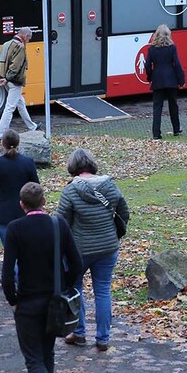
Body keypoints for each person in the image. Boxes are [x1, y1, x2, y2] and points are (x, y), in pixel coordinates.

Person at [2, 182, 82, 373]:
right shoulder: (59, 225)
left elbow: (7, 274)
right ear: (45, 202)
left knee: (33, 360)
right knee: (46, 354)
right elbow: (77, 265)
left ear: (22, 205)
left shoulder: (15, 229)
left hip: (27, 302)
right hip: (53, 302)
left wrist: (13, 300)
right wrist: (65, 286)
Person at [56, 148, 130, 352]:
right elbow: (124, 212)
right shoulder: (110, 186)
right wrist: (115, 234)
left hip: (79, 250)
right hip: (107, 247)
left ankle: (78, 333)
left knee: (76, 289)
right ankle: (103, 338)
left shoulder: (70, 191)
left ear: (73, 167)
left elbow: (61, 222)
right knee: (103, 291)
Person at [0, 130, 39, 248]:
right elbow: (35, 187)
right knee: (24, 249)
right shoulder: (28, 162)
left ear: (2, 143)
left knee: (10, 250)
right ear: (18, 143)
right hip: (25, 212)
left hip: (2, 213)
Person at [144, 24, 185, 139]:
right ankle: (176, 129)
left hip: (157, 80)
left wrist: (150, 77)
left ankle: (156, 134)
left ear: (156, 35)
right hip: (171, 80)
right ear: (168, 35)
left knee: (157, 107)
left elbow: (147, 66)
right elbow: (177, 65)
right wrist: (181, 80)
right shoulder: (172, 48)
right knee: (173, 105)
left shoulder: (151, 49)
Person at [0, 27, 39, 137]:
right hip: (14, 81)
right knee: (10, 108)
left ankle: (32, 126)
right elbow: (16, 66)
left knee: (21, 103)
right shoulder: (20, 47)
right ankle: (1, 134)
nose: (29, 41)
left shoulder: (6, 44)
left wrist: (1, 76)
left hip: (6, 79)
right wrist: (7, 78)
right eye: (29, 38)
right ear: (25, 36)